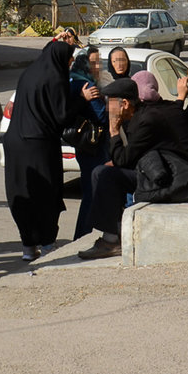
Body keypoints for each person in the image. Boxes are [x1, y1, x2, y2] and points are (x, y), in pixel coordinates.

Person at [78, 78, 188, 260]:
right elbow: (126, 158)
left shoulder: (146, 121)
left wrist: (114, 131)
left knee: (103, 174)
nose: (108, 110)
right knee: (102, 172)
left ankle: (111, 241)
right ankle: (115, 232)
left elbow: (123, 159)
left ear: (124, 104)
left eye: (110, 104)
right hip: (167, 170)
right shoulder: (140, 115)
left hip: (180, 179)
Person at [4, 41, 89, 260]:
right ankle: (48, 244)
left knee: (22, 192)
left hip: (15, 143)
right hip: (39, 144)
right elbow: (60, 116)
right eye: (70, 58)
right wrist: (81, 100)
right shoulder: (55, 76)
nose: (71, 63)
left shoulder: (29, 72)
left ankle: (28, 246)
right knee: (46, 194)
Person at [70, 50, 107, 240]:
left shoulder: (72, 82)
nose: (97, 67)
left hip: (83, 146)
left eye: (99, 62)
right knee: (92, 194)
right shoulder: (87, 85)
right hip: (95, 147)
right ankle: (82, 236)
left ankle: (82, 235)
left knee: (89, 192)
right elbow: (101, 115)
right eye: (93, 63)